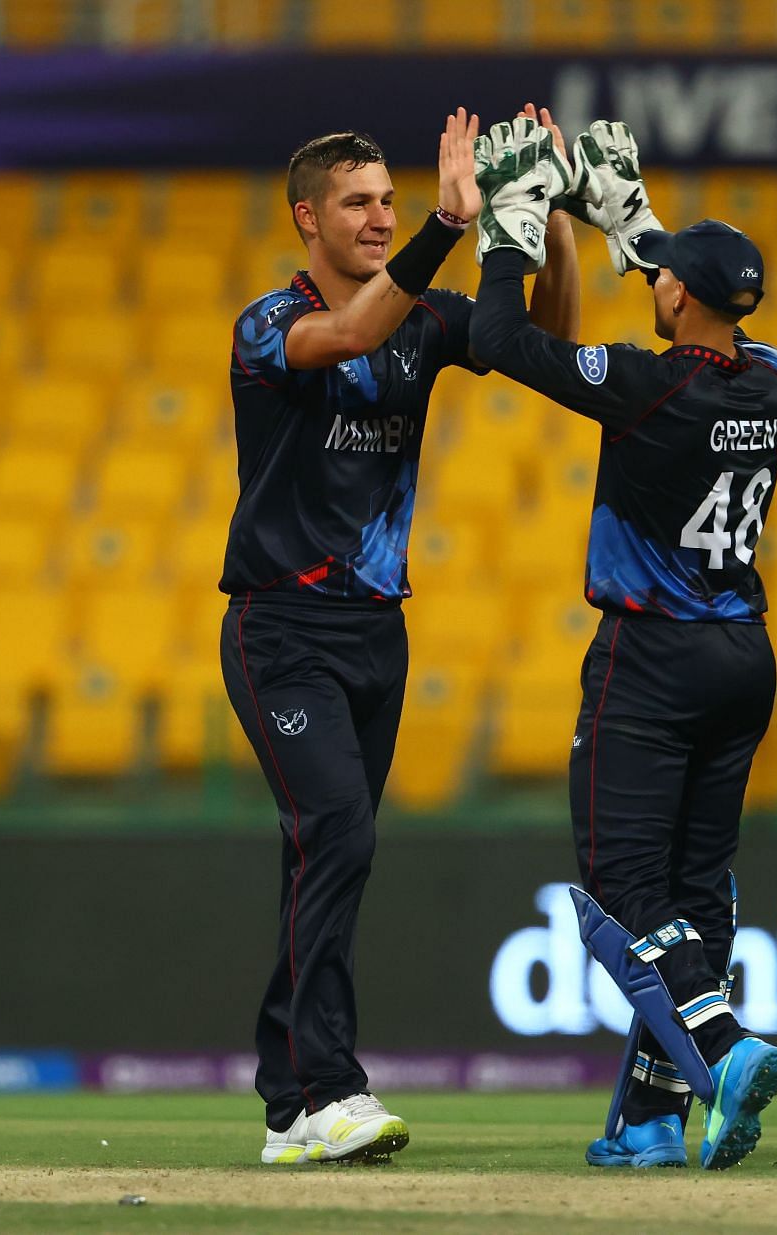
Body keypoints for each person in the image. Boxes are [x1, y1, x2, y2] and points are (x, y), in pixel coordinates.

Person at [221, 108, 581, 1165]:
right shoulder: (268, 321)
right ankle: (330, 1089)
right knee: (339, 836)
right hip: (282, 627)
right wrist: (445, 223)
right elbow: (349, 336)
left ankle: (289, 1104)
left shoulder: (427, 316)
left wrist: (547, 216)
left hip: (380, 630)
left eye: (387, 200)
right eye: (358, 203)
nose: (378, 218)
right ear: (307, 218)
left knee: (325, 856)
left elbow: (542, 340)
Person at [466, 120, 777, 1171]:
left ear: (678, 300)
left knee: (621, 888)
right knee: (700, 890)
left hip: (651, 660)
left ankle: (723, 1046)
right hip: (745, 654)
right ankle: (650, 1121)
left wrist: (515, 226)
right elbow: (687, 298)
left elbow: (500, 343)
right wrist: (628, 221)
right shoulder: (772, 379)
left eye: (664, 280)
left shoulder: (650, 388)